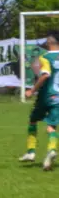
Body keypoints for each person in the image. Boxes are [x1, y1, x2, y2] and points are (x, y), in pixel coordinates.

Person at [20, 31, 59, 170]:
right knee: (51, 127)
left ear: (49, 42)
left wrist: (32, 90)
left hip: (46, 96)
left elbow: (45, 75)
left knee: (33, 120)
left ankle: (31, 152)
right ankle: (52, 150)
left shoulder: (45, 57)